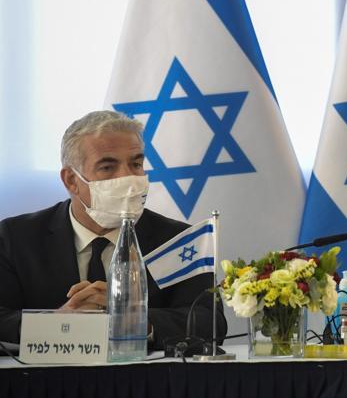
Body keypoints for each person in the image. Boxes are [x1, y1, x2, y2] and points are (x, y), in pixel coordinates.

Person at [0, 110, 227, 347]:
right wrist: (57, 324)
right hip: (44, 382)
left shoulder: (179, 241)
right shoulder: (14, 238)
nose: (128, 178)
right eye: (108, 167)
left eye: (136, 164)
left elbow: (211, 323)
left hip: (149, 382)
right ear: (71, 180)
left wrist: (136, 321)